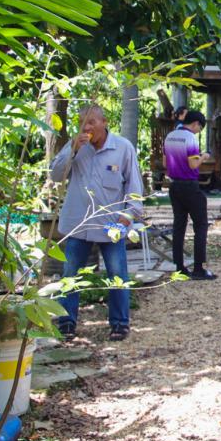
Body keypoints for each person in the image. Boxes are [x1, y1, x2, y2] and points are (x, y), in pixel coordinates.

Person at [49, 105, 144, 342]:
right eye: (83, 122)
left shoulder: (123, 147)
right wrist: (72, 149)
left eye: (92, 122)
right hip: (78, 224)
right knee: (70, 274)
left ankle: (120, 323)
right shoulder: (75, 147)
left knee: (117, 274)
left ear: (105, 122)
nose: (87, 127)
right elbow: (55, 175)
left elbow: (134, 189)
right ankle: (66, 323)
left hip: (112, 224)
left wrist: (126, 219)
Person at [163, 108, 217, 281]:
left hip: (174, 186)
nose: (198, 131)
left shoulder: (170, 136)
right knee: (200, 225)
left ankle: (179, 267)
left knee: (179, 226)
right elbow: (193, 164)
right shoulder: (190, 138)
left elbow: (165, 162)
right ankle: (198, 268)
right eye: (200, 128)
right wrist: (204, 156)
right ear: (195, 124)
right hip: (190, 185)